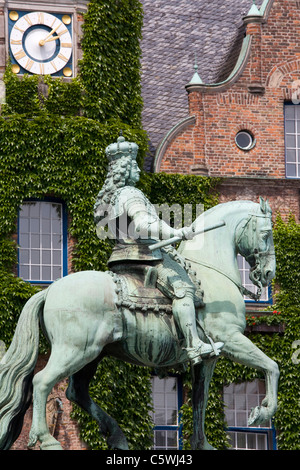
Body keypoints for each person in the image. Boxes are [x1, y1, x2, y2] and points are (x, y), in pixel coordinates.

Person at [94, 134, 222, 365]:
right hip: (144, 257)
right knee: (183, 289)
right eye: (134, 166)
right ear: (125, 169)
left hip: (121, 259)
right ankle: (194, 345)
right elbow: (143, 224)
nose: (138, 171)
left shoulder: (109, 197)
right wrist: (176, 232)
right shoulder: (130, 193)